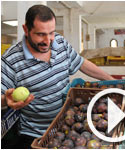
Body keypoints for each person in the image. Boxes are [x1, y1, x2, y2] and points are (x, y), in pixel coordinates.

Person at [1, 4, 115, 149]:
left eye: (51, 33)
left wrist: (113, 81)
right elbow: (2, 97)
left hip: (67, 127)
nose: (48, 40)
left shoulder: (60, 42)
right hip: (36, 136)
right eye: (41, 34)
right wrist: (6, 100)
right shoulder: (10, 60)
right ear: (26, 29)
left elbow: (81, 63)